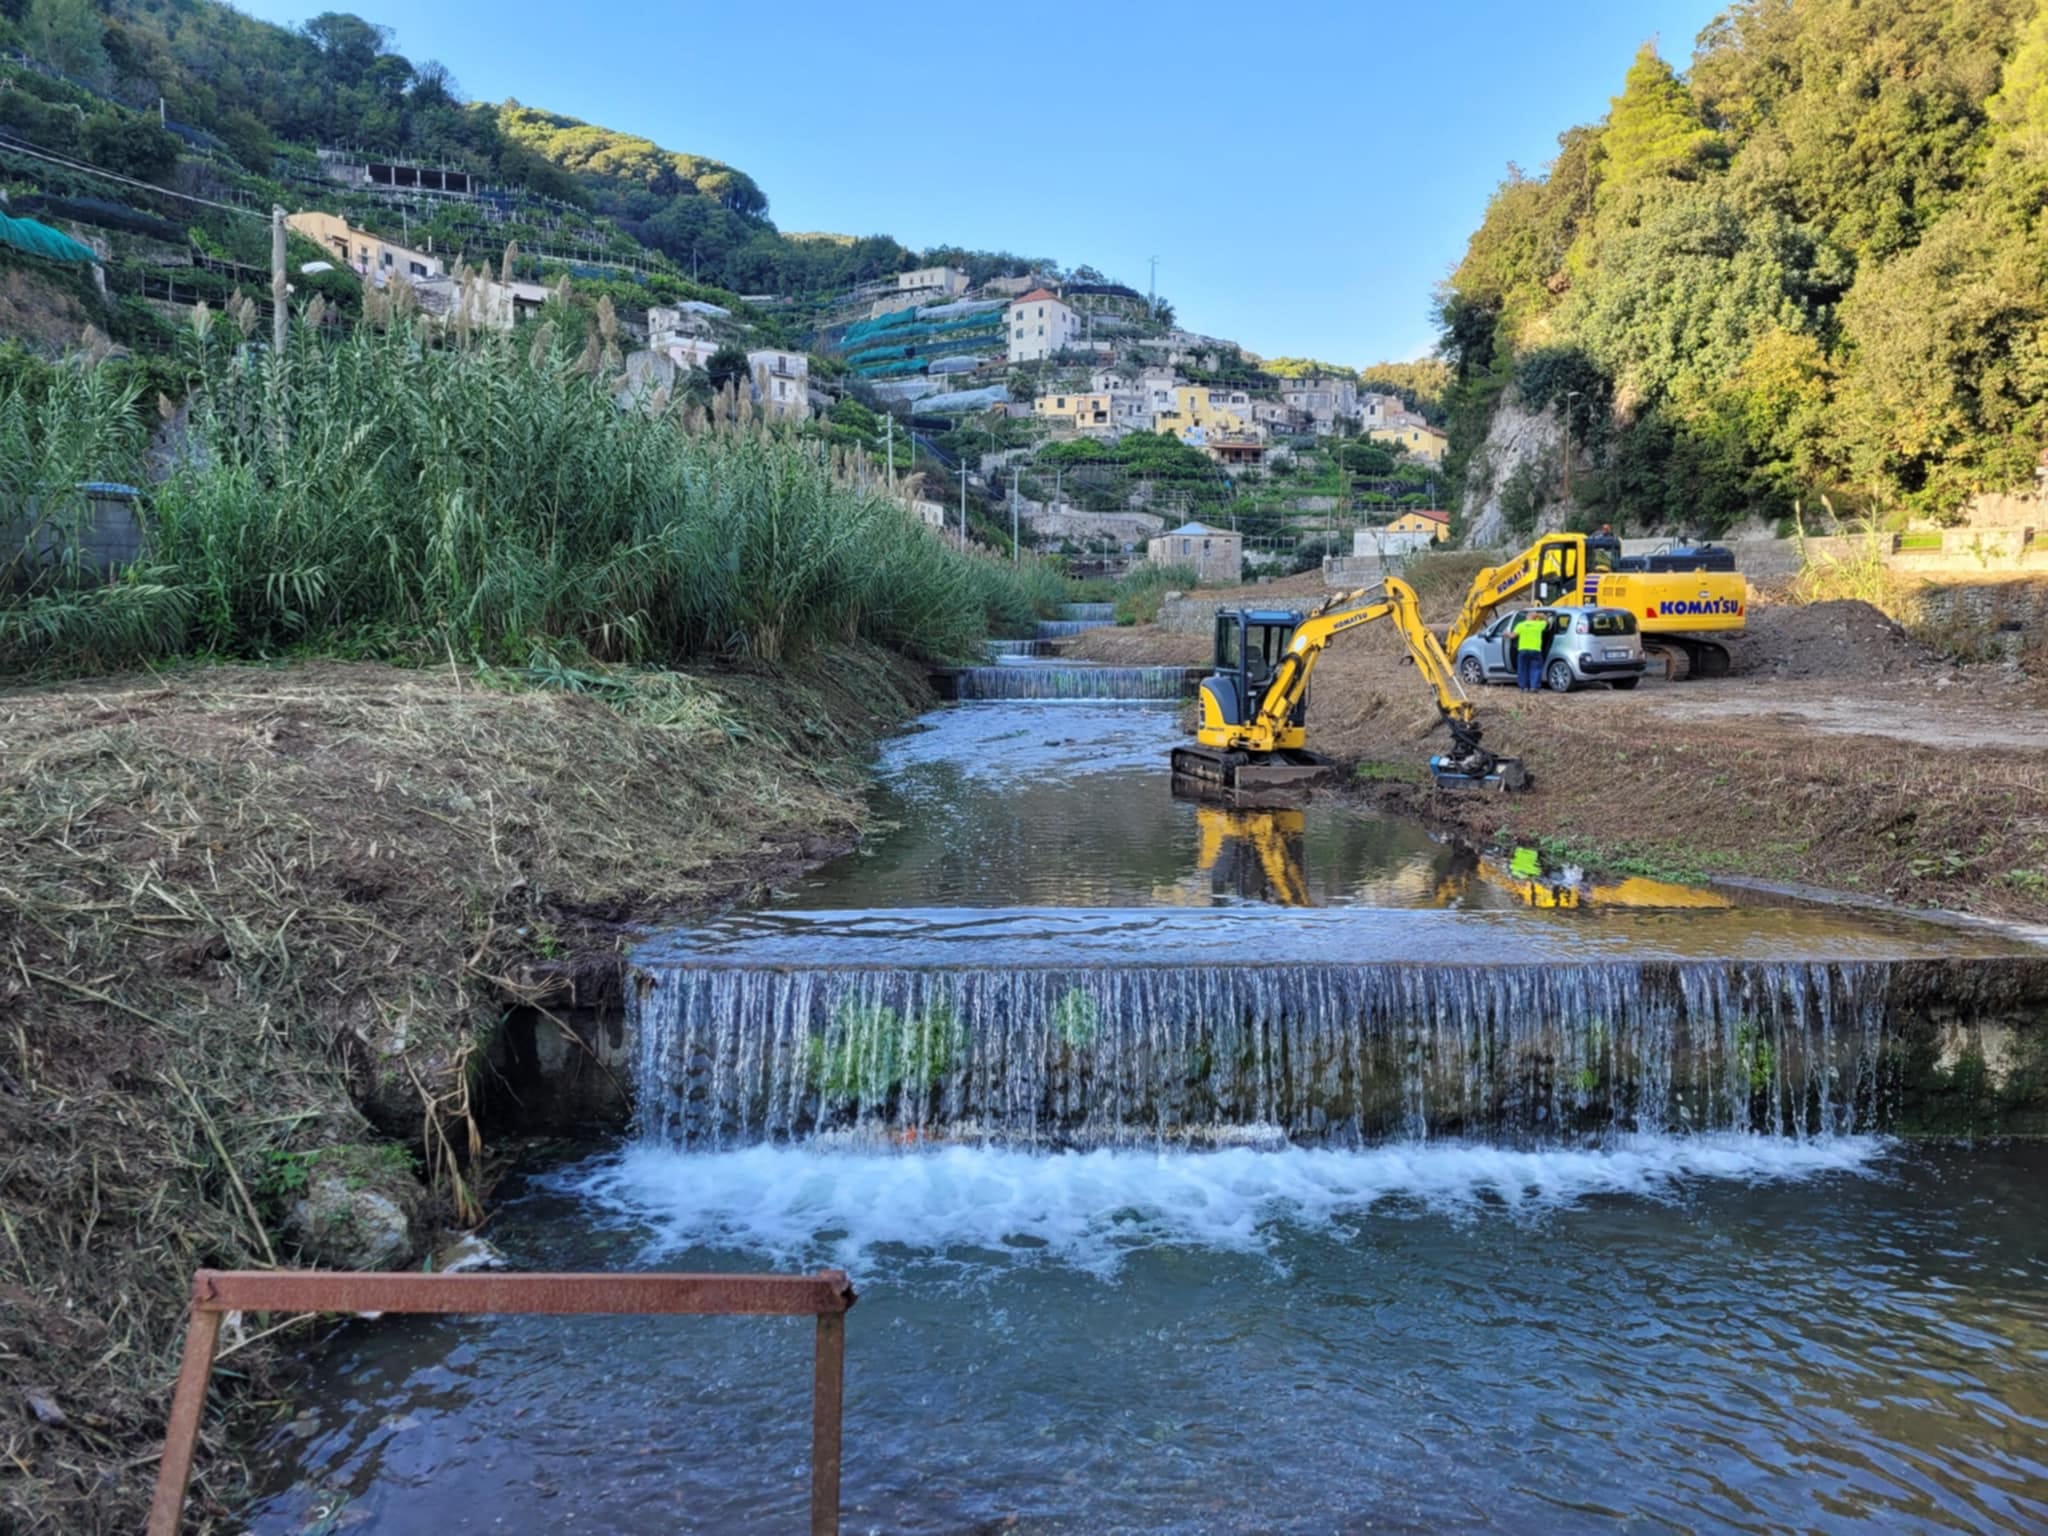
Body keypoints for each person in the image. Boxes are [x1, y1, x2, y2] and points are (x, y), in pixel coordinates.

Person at [1512, 610, 1550, 691]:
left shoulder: (1521, 625)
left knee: (1522, 669)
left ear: (1527, 617)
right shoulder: (1539, 624)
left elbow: (1512, 636)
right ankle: (1534, 687)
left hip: (1523, 650)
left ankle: (1524, 687)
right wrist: (1541, 615)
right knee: (1535, 669)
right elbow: (1547, 622)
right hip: (1535, 650)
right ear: (1535, 618)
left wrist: (1506, 634)